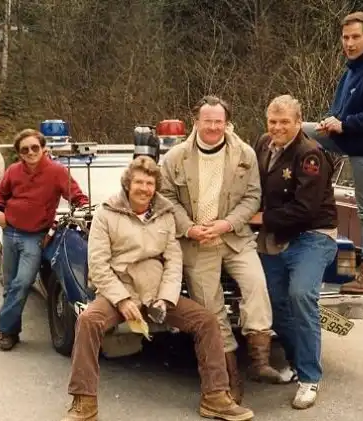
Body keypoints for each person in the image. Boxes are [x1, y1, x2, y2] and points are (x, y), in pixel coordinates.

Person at [61, 156, 254, 421]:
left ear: (155, 187)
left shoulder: (165, 214)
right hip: (120, 289)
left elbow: (174, 260)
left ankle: (215, 397)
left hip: (156, 292)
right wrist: (122, 300)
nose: (144, 188)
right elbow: (98, 265)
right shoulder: (107, 213)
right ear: (128, 184)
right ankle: (84, 403)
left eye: (150, 183)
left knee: (207, 321)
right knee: (87, 321)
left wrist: (165, 299)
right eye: (139, 182)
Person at [159, 95, 282, 403]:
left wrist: (227, 223)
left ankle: (260, 361)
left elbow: (253, 197)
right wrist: (189, 228)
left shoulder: (245, 154)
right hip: (197, 242)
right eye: (207, 121)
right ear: (196, 122)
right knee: (211, 311)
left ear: (227, 123)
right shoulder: (175, 158)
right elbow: (166, 198)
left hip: (235, 237)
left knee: (257, 287)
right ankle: (229, 377)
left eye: (219, 121)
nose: (213, 127)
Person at [302, 11, 363, 293]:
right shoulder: (352, 69)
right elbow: (341, 108)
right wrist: (330, 120)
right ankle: (306, 192)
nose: (349, 43)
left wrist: (344, 125)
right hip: (344, 136)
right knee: (298, 130)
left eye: (356, 37)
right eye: (345, 37)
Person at [254, 94, 339, 409]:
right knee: (272, 301)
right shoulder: (263, 144)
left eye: (285, 122)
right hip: (276, 235)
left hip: (312, 234)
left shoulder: (309, 154)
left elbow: (306, 210)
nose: (277, 127)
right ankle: (294, 359)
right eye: (272, 121)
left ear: (299, 122)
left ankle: (309, 378)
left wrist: (261, 218)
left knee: (301, 295)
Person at [0, 128, 88, 351]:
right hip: (10, 232)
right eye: (25, 150)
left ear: (43, 148)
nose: (31, 152)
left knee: (22, 283)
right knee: (10, 286)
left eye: (35, 147)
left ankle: (2, 328)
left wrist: (80, 214)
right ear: (19, 153)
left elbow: (79, 198)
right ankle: (11, 333)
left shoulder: (57, 171)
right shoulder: (13, 171)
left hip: (35, 237)